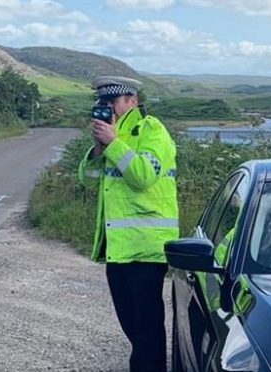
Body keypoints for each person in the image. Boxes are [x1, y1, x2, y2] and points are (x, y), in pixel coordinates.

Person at [78, 76, 179, 372]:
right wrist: (99, 148)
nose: (107, 107)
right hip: (119, 247)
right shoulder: (111, 138)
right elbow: (87, 180)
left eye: (113, 101)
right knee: (133, 327)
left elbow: (144, 175)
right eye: (102, 102)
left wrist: (114, 143)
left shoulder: (151, 130)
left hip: (147, 247)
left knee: (147, 330)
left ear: (132, 101)